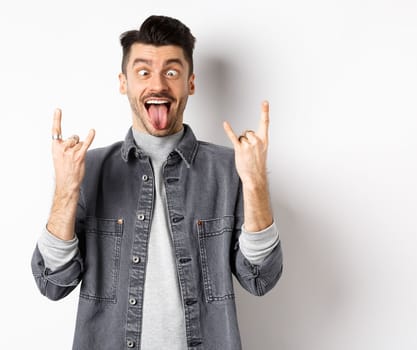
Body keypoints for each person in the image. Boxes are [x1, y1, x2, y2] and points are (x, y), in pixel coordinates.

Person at [30, 15, 283, 350]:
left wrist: (254, 183)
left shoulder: (228, 169)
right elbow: (52, 283)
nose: (159, 84)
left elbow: (260, 278)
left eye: (172, 72)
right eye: (144, 72)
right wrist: (66, 189)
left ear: (190, 83)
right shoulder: (88, 168)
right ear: (124, 83)